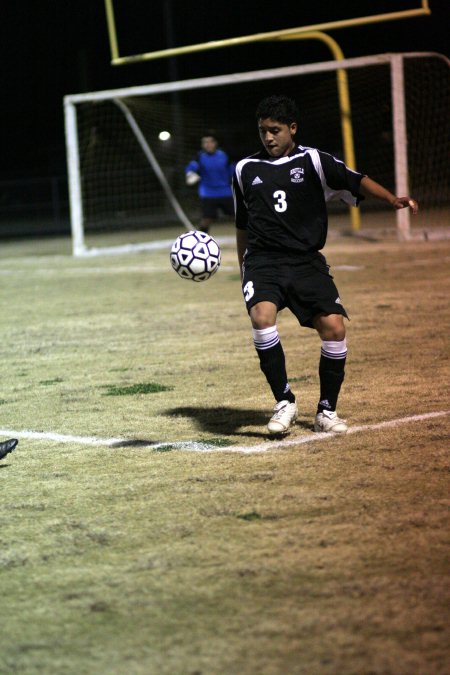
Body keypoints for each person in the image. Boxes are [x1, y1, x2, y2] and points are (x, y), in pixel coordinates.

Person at [233, 94, 418, 436]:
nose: (268, 138)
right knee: (261, 317)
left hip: (306, 262)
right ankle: (284, 402)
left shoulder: (314, 160)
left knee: (334, 329)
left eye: (275, 130)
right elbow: (242, 224)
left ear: (292, 128)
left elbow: (355, 178)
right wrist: (244, 268)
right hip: (264, 261)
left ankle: (326, 412)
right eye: (263, 131)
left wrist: (391, 198)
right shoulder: (245, 169)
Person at [185, 133, 235, 233]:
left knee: (238, 217)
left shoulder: (224, 155)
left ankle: (248, 238)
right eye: (205, 142)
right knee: (206, 219)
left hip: (226, 191)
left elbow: (233, 169)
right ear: (202, 145)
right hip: (208, 193)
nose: (208, 144)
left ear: (215, 143)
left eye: (210, 142)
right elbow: (190, 168)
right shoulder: (199, 157)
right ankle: (202, 242)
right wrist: (190, 174)